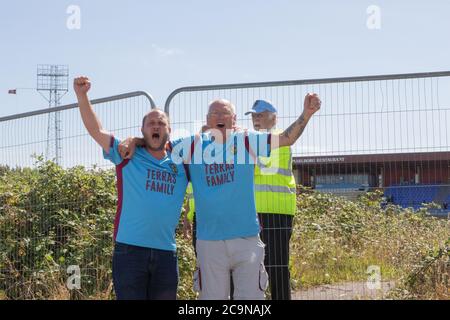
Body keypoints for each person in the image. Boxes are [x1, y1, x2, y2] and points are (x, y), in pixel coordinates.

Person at [120, 94, 321, 300]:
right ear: (207, 120)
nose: (219, 116)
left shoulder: (247, 140)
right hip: (210, 242)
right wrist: (134, 140)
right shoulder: (191, 145)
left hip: (246, 239)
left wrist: (306, 114)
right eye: (214, 113)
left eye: (225, 113)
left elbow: (287, 138)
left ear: (234, 120)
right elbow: (158, 143)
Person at [74, 76, 189, 300]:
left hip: (166, 253)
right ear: (142, 129)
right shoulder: (128, 155)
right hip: (130, 250)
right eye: (151, 123)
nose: (156, 126)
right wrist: (82, 95)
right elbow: (96, 130)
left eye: (161, 123)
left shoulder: (182, 163)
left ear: (169, 130)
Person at [245, 99, 298, 300]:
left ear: (273, 118)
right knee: (249, 266)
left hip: (276, 212)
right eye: (253, 115)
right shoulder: (253, 141)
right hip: (254, 212)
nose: (256, 119)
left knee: (276, 267)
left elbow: (257, 168)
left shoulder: (279, 140)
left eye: (260, 115)